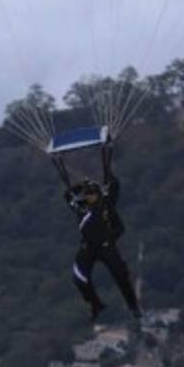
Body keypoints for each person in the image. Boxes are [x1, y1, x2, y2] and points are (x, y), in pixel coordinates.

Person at [52, 137, 141, 320]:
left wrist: (108, 167)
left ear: (98, 193)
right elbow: (67, 195)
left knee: (121, 276)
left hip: (106, 246)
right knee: (79, 277)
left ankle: (133, 307)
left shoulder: (106, 203)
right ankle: (96, 304)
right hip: (88, 248)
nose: (89, 196)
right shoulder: (80, 206)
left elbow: (114, 186)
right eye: (87, 194)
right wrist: (76, 186)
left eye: (91, 193)